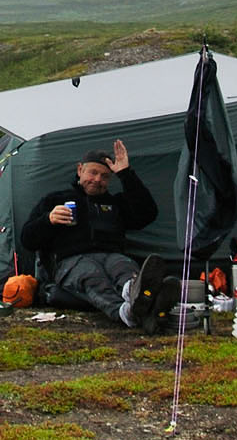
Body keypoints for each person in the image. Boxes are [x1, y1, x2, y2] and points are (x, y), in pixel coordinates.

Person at [18, 140, 173, 330]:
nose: (98, 179)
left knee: (124, 268)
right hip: (70, 261)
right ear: (80, 170)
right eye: (93, 172)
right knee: (91, 275)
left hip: (112, 255)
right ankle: (128, 312)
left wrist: (125, 174)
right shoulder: (55, 200)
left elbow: (148, 213)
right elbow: (27, 239)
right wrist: (48, 220)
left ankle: (136, 297)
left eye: (105, 176)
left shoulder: (116, 204)